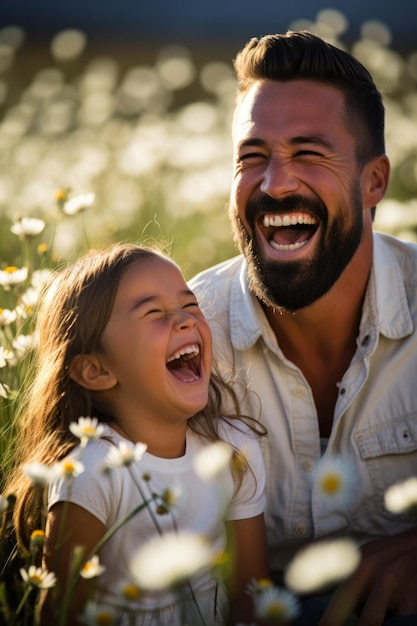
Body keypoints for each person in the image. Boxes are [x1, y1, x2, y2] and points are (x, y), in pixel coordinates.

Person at [189, 30, 417, 626]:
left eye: (309, 153)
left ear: (374, 183)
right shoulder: (183, 337)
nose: (275, 183)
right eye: (252, 157)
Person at [2, 243, 269, 626]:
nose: (186, 321)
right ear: (95, 371)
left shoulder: (234, 450)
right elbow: (61, 614)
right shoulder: (90, 474)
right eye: (154, 312)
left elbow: (252, 596)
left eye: (190, 305)